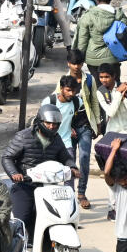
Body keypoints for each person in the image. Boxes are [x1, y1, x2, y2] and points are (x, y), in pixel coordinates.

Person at [1, 104, 77, 235]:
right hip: (25, 185)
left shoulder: (56, 138)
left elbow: (65, 157)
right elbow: (7, 157)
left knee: (60, 216)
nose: (52, 127)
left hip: (48, 186)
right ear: (39, 121)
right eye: (48, 123)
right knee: (21, 220)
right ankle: (14, 251)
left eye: (55, 124)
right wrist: (15, 174)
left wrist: (73, 167)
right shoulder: (23, 136)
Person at [43, 75, 97, 209]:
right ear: (61, 88)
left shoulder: (76, 101)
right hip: (49, 144)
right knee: (50, 177)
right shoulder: (49, 101)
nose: (71, 94)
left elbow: (79, 114)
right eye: (68, 90)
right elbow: (39, 122)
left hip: (66, 143)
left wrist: (73, 126)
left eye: (73, 91)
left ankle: (70, 206)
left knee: (69, 175)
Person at [74, 0, 127, 82]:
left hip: (93, 61)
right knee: (115, 87)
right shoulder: (119, 16)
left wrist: (78, 61)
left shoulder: (88, 16)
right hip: (113, 58)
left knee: (98, 89)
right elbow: (126, 36)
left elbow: (82, 42)